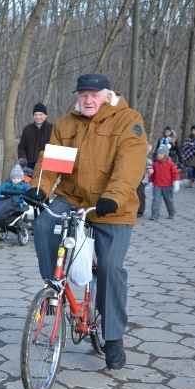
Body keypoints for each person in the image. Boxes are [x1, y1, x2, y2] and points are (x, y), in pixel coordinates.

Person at [24, 73, 146, 370]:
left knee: (109, 267)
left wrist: (114, 196)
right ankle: (54, 290)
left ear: (107, 95)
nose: (88, 100)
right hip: (74, 197)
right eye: (83, 95)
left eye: (94, 94)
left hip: (112, 204)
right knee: (42, 225)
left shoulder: (127, 120)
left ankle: (113, 337)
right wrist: (40, 186)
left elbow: (129, 165)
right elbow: (52, 163)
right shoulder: (67, 123)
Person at [17, 102, 53, 170]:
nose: (38, 117)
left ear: (46, 115)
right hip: (29, 167)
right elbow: (21, 146)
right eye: (35, 115)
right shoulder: (27, 129)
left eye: (40, 114)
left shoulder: (52, 129)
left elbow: (55, 147)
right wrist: (22, 158)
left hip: (46, 167)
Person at [149, 145, 180, 221]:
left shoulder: (170, 164)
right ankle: (154, 215)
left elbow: (175, 174)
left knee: (169, 200)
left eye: (161, 154)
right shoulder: (155, 164)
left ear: (165, 154)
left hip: (167, 185)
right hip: (157, 185)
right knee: (156, 200)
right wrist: (151, 183)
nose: (159, 155)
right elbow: (152, 174)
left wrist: (176, 182)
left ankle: (172, 213)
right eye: (158, 154)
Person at [137, 143, 153, 218]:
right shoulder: (134, 159)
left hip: (142, 180)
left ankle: (140, 210)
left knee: (140, 194)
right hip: (133, 179)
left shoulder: (147, 160)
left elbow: (149, 166)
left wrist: (150, 170)